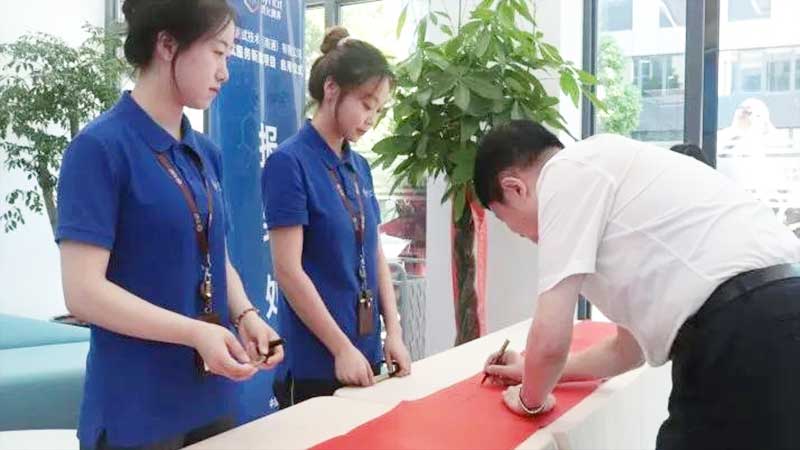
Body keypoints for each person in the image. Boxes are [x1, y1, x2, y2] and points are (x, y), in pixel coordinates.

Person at [475, 120, 800, 450]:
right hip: (776, 316)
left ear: (515, 188)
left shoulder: (563, 174)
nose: (516, 233)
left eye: (504, 219)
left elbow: (549, 341)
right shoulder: (611, 173)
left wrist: (529, 399)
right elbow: (626, 352)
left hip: (740, 328)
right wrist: (531, 372)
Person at [57, 1, 283, 448]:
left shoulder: (205, 153)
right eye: (217, 52)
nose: (224, 72)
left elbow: (215, 257)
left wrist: (246, 315)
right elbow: (82, 292)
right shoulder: (100, 148)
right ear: (167, 44)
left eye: (229, 55)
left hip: (212, 397)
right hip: (136, 408)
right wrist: (194, 332)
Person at [262, 26, 411, 408]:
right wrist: (341, 348)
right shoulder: (289, 162)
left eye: (378, 110)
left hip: (366, 353)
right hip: (315, 363)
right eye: (366, 104)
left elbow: (374, 252)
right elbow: (288, 271)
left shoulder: (359, 167)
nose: (371, 118)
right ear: (331, 89)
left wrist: (393, 333)